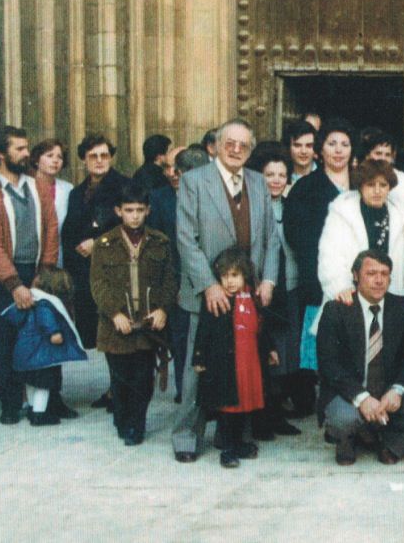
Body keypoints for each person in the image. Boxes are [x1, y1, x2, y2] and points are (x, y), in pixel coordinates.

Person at [172, 118, 281, 463]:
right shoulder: (194, 181)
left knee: (243, 365)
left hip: (247, 292)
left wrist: (268, 279)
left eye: (243, 145)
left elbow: (271, 237)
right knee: (199, 367)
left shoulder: (258, 182)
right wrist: (208, 284)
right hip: (210, 292)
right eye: (229, 143)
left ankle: (233, 435)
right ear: (216, 146)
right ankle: (187, 436)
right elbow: (186, 238)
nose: (236, 150)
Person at [0, 125, 62, 424]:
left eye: (27, 147)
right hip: (3, 278)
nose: (27, 154)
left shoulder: (37, 185)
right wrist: (14, 285)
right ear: (0, 153)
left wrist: (45, 272)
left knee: (46, 336)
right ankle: (10, 404)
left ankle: (49, 403)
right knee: (7, 340)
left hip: (37, 271)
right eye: (20, 149)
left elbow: (51, 228)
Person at [317, 249, 404, 466]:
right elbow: (329, 364)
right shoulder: (336, 310)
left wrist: (397, 389)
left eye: (384, 274)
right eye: (371, 273)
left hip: (387, 392)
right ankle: (348, 440)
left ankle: (390, 444)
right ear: (356, 275)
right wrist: (361, 398)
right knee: (343, 418)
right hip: (350, 393)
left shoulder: (402, 307)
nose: (379, 280)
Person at [89, 183, 177, 445]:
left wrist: (163, 309)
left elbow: (170, 280)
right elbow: (98, 284)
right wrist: (114, 313)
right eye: (129, 210)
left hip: (148, 325)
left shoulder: (160, 242)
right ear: (118, 211)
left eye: (140, 210)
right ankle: (123, 419)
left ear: (148, 210)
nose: (135, 216)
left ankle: (136, 425)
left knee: (143, 379)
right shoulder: (104, 244)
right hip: (117, 326)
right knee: (121, 378)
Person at [283, 117, 354, 414]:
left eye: (344, 144)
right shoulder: (306, 188)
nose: (338, 150)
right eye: (331, 144)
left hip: (362, 279)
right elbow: (297, 236)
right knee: (323, 347)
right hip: (320, 278)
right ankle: (328, 409)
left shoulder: (363, 183)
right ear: (320, 150)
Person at [192, 247, 273, 469]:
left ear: (245, 275)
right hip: (227, 364)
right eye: (224, 276)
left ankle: (240, 443)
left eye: (234, 275)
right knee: (228, 407)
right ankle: (227, 448)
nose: (229, 281)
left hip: (250, 363)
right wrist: (199, 357)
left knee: (245, 405)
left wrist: (270, 350)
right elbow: (204, 329)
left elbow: (262, 327)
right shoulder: (218, 300)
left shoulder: (253, 297)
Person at [244, 146, 303, 438]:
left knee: (286, 355)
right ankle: (260, 418)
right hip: (261, 291)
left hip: (290, 288)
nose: (276, 180)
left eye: (282, 175)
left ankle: (276, 414)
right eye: (270, 175)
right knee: (263, 354)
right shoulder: (250, 206)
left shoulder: (291, 206)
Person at [62, 133, 132, 362]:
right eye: (93, 156)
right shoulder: (76, 193)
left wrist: (98, 243)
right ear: (84, 159)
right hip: (84, 274)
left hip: (115, 271)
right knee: (92, 336)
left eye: (104, 155)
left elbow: (134, 226)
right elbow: (69, 232)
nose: (100, 160)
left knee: (118, 334)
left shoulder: (125, 186)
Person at [152, 145, 211, 399]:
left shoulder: (213, 196)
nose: (172, 173)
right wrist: (170, 286)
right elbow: (158, 247)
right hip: (177, 283)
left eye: (178, 168)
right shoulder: (159, 198)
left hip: (212, 281)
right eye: (168, 167)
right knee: (182, 342)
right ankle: (185, 394)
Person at [319, 160, 404, 310]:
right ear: (360, 186)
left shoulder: (400, 215)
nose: (377, 191)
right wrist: (340, 287)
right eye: (371, 185)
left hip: (390, 298)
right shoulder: (342, 212)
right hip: (350, 298)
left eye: (383, 185)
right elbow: (329, 256)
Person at [0, 268, 84, 426]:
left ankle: (33, 410)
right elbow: (47, 321)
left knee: (31, 384)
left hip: (24, 356)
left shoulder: (29, 302)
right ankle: (40, 415)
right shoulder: (45, 304)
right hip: (40, 357)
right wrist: (55, 334)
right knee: (43, 386)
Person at [30, 139, 73, 268]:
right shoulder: (25, 187)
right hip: (30, 257)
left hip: (59, 258)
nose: (55, 160)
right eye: (49, 156)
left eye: (60, 157)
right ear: (36, 160)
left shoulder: (68, 189)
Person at [283, 119, 318, 184]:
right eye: (297, 145)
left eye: (309, 146)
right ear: (288, 147)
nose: (303, 151)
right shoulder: (281, 178)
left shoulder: (327, 174)